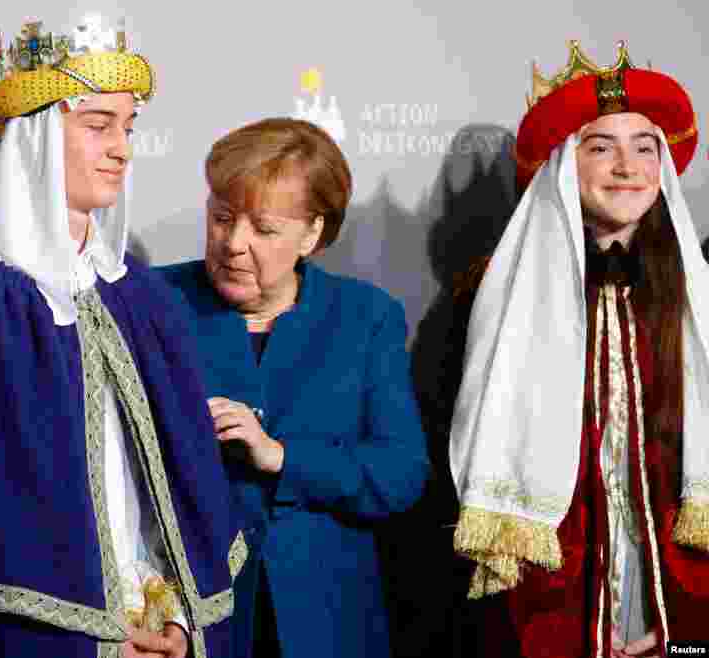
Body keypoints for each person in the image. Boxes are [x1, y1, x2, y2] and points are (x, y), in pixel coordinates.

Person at [0, 15, 244, 658]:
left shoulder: (143, 298)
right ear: (37, 137)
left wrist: (176, 617)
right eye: (97, 125)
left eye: (128, 127)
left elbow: (186, 484)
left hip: (158, 626)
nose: (122, 147)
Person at [450, 41, 709, 657]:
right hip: (558, 592)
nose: (628, 165)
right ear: (565, 165)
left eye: (645, 148)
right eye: (602, 147)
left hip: (681, 588)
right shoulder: (500, 297)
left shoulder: (696, 298)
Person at [157, 118, 430, 658]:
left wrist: (282, 457)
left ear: (313, 234)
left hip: (328, 622)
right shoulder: (153, 302)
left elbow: (400, 475)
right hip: (192, 621)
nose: (233, 244)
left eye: (263, 228)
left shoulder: (366, 318)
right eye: (221, 219)